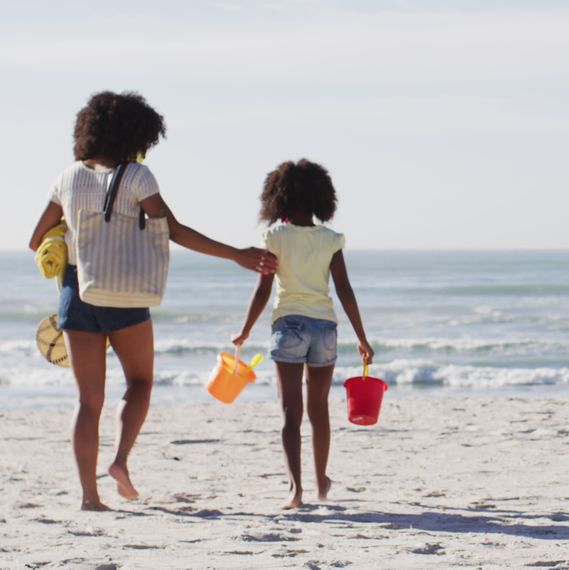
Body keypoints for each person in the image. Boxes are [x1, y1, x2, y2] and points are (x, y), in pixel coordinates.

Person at [28, 91, 276, 511]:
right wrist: (237, 254)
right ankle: (120, 461)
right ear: (135, 134)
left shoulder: (66, 178)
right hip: (124, 294)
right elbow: (174, 230)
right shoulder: (139, 178)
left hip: (76, 293)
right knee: (140, 383)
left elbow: (37, 240)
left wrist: (69, 239)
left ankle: (90, 498)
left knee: (88, 400)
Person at [232, 159, 375, 509]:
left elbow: (263, 291)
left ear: (278, 197)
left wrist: (245, 330)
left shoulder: (274, 238)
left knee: (290, 413)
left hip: (289, 326)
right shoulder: (330, 239)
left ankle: (296, 490)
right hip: (325, 328)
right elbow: (344, 289)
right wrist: (362, 336)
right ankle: (321, 482)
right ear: (321, 198)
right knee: (319, 410)